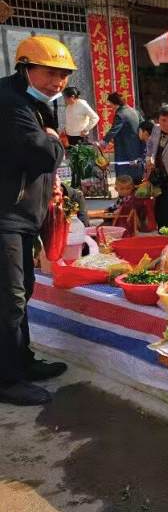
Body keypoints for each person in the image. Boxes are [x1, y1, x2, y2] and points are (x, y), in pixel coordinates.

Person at [0, 35, 70, 405]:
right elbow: (43, 154)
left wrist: (51, 140)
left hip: (22, 216)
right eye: (50, 74)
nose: (58, 83)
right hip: (6, 216)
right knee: (9, 299)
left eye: (63, 76)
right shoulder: (10, 103)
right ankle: (7, 380)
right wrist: (56, 142)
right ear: (25, 68)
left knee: (21, 293)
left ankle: (20, 362)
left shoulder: (34, 103)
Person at [100, 92, 144, 183]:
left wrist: (104, 142)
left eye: (111, 104)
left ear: (114, 103)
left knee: (124, 173)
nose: (111, 106)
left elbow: (114, 130)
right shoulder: (134, 111)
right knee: (136, 172)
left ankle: (124, 194)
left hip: (124, 147)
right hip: (137, 146)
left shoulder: (121, 114)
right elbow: (142, 125)